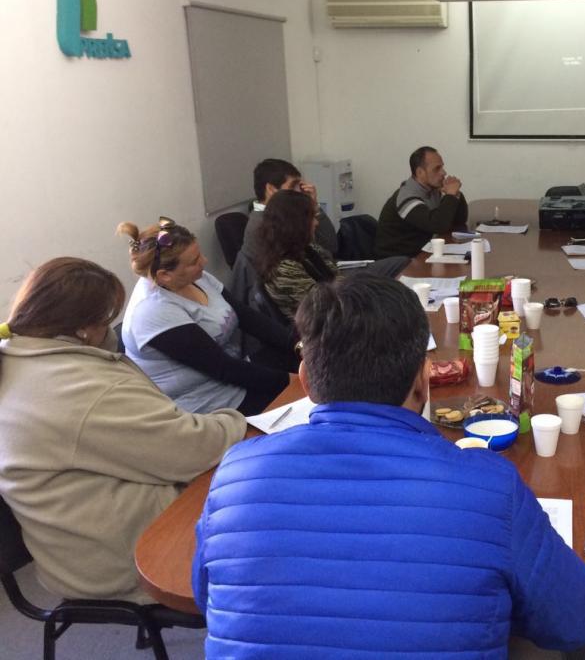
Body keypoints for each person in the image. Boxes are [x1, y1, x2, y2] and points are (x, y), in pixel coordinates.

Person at [193, 273, 585, 658]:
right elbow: (573, 623)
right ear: (424, 381)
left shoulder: (234, 474)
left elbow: (206, 596)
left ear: (307, 380)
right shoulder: (489, 486)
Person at [0, 257, 246, 603]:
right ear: (84, 329)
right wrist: (241, 421)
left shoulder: (18, 357)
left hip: (72, 547)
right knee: (267, 515)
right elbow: (195, 449)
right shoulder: (82, 389)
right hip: (123, 559)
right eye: (106, 320)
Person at [119, 218, 296, 416]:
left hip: (234, 375)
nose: (204, 261)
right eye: (194, 261)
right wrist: (289, 382)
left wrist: (297, 345)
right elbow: (223, 367)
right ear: (164, 275)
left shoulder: (195, 278)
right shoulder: (152, 311)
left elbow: (245, 315)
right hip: (204, 405)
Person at [236, 158, 408, 303]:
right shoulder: (263, 226)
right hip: (320, 289)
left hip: (328, 277)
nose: (299, 192)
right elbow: (304, 287)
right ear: (271, 189)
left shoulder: (286, 217)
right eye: (293, 187)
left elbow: (330, 245)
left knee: (399, 263)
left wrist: (313, 207)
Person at [252, 189, 337, 320]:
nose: (316, 223)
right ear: (297, 223)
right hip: (321, 326)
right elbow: (324, 307)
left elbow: (335, 276)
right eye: (312, 218)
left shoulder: (306, 249)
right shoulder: (284, 270)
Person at [374, 145, 469, 258]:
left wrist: (456, 194)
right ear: (420, 172)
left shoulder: (432, 190)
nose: (444, 172)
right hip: (397, 259)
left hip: (420, 253)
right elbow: (438, 225)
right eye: (437, 169)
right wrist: (450, 195)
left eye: (442, 167)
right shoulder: (407, 197)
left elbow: (459, 220)